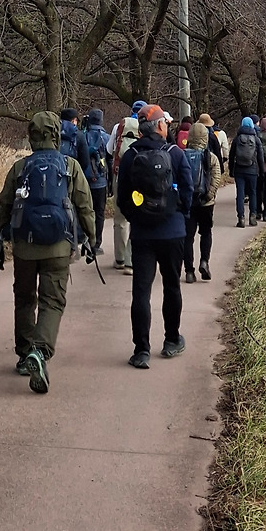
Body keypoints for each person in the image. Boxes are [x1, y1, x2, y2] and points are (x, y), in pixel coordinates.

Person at [0, 110, 95, 396]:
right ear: (58, 136)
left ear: (31, 137)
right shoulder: (70, 166)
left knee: (24, 299)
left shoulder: (20, 167)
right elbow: (85, 206)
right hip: (59, 245)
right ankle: (41, 351)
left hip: (25, 245)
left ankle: (24, 355)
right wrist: (92, 239)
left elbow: (3, 208)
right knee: (52, 301)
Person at [116, 105, 192, 367]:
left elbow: (122, 196)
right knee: (172, 287)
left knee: (141, 291)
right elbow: (188, 191)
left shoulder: (130, 156)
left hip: (142, 234)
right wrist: (178, 214)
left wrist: (136, 217)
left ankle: (141, 350)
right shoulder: (176, 154)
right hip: (172, 232)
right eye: (166, 123)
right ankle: (171, 340)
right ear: (160, 126)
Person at [182, 118, 223, 282]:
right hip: (206, 203)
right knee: (205, 232)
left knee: (188, 237)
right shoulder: (210, 157)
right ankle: (204, 261)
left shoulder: (182, 155)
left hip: (188, 202)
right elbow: (216, 177)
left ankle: (189, 271)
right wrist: (210, 194)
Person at [106, 103, 143, 273]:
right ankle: (130, 261)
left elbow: (109, 149)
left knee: (120, 219)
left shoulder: (118, 126)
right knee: (137, 217)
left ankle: (119, 258)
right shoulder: (146, 126)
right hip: (138, 176)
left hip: (120, 174)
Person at [79, 106, 111, 251]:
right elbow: (110, 160)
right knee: (99, 212)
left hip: (83, 180)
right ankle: (96, 244)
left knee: (85, 210)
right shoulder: (106, 137)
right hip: (101, 181)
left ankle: (85, 240)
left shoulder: (82, 136)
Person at [229, 116, 260, 226]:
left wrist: (231, 169)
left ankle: (241, 218)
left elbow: (231, 155)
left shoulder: (237, 139)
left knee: (240, 194)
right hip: (252, 170)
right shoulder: (256, 139)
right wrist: (260, 171)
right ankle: (252, 216)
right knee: (253, 193)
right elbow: (260, 156)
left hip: (239, 170)